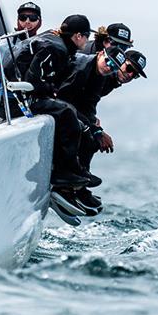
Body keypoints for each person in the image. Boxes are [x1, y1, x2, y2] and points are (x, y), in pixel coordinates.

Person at [2, 14, 100, 188]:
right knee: (67, 113)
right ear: (78, 36)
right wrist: (51, 90)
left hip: (18, 96)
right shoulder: (56, 48)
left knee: (70, 111)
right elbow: (34, 79)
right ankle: (63, 173)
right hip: (15, 102)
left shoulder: (55, 40)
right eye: (86, 36)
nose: (87, 41)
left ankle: (76, 170)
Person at [54, 46, 127, 213]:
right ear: (100, 53)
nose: (110, 67)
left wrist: (96, 128)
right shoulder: (82, 67)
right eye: (108, 61)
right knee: (80, 131)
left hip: (68, 108)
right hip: (55, 104)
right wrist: (91, 128)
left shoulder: (101, 75)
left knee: (93, 139)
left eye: (115, 67)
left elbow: (89, 104)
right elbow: (63, 100)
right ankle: (64, 185)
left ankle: (78, 186)